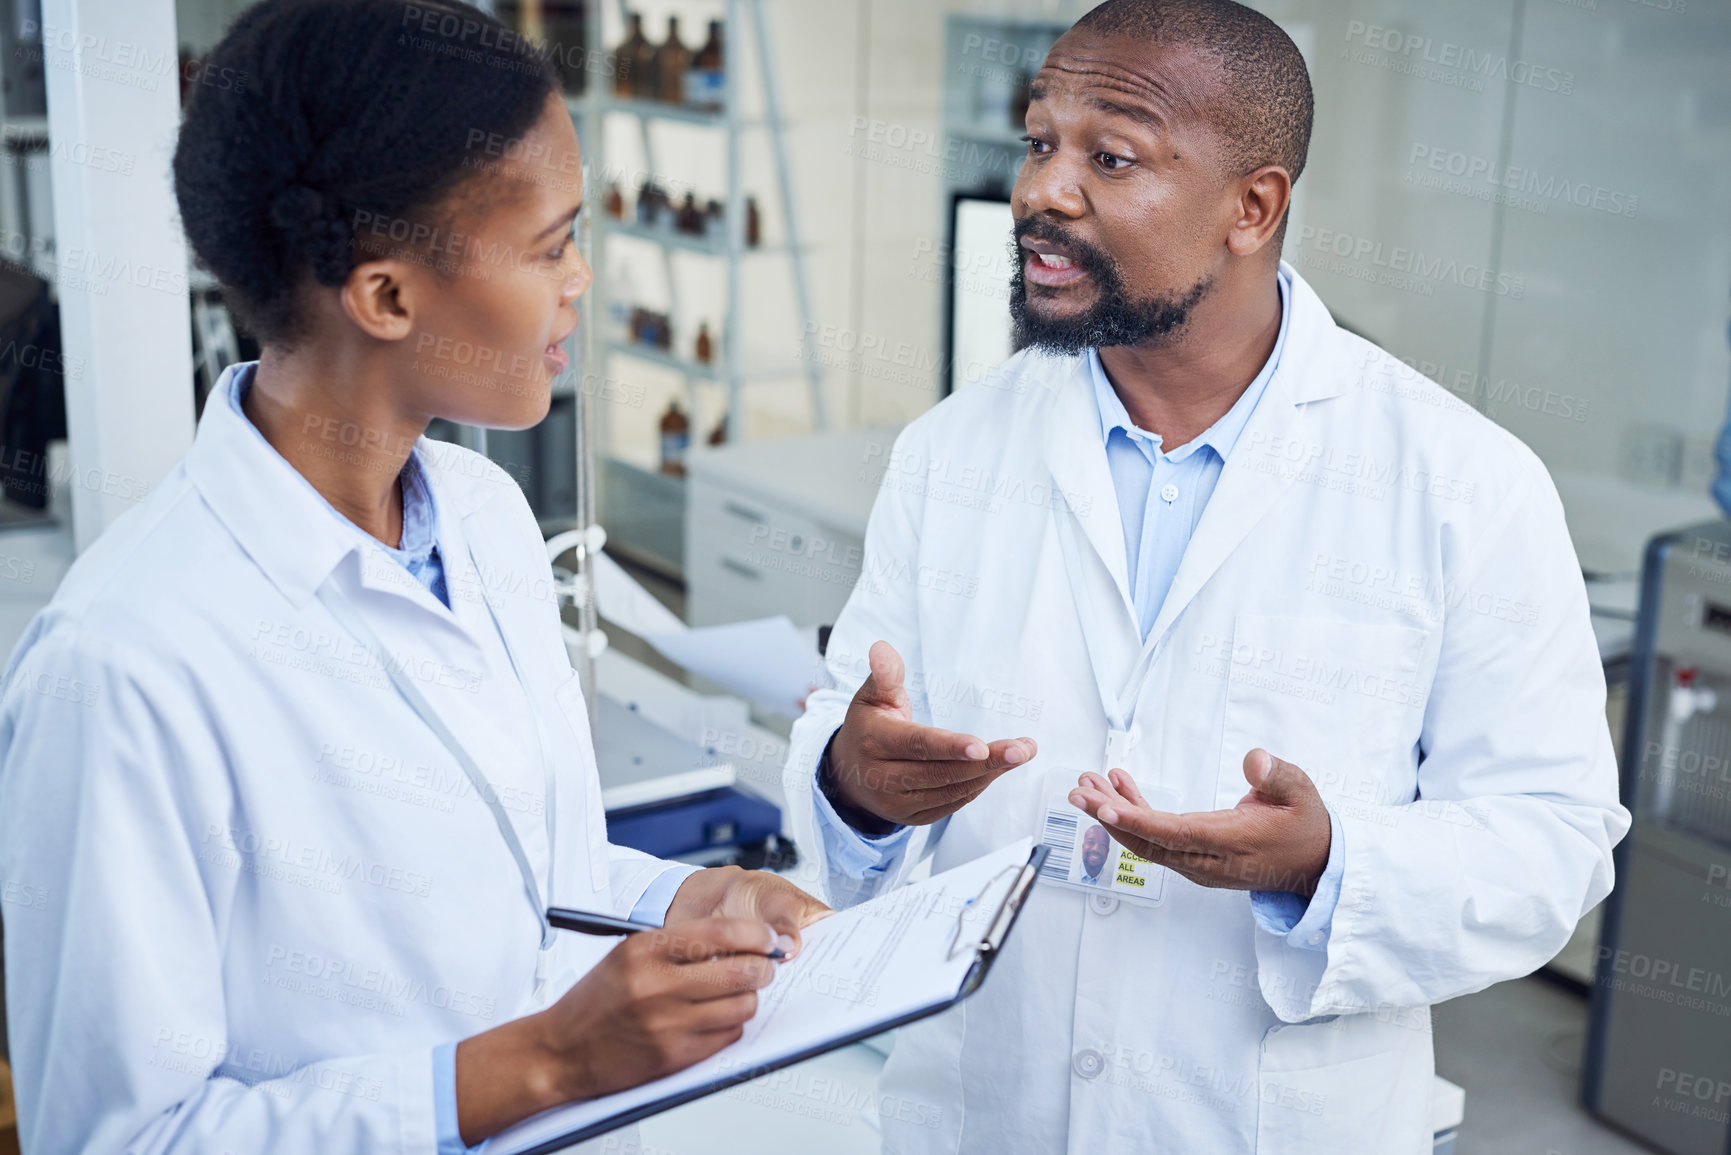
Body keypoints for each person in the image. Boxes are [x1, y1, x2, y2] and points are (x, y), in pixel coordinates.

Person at [784, 0, 1629, 1150]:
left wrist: (1327, 865)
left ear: (1253, 206)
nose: (1043, 190)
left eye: (1111, 156)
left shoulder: (1463, 484)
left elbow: (1555, 843)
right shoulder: (952, 454)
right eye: (1040, 141)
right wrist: (855, 781)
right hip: (986, 1111)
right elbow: (850, 743)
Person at [0, 3, 829, 1153]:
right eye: (550, 246)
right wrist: (541, 1062)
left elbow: (537, 877)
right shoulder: (123, 664)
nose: (583, 279)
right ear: (386, 297)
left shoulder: (483, 516)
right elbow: (119, 1139)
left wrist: (690, 902)